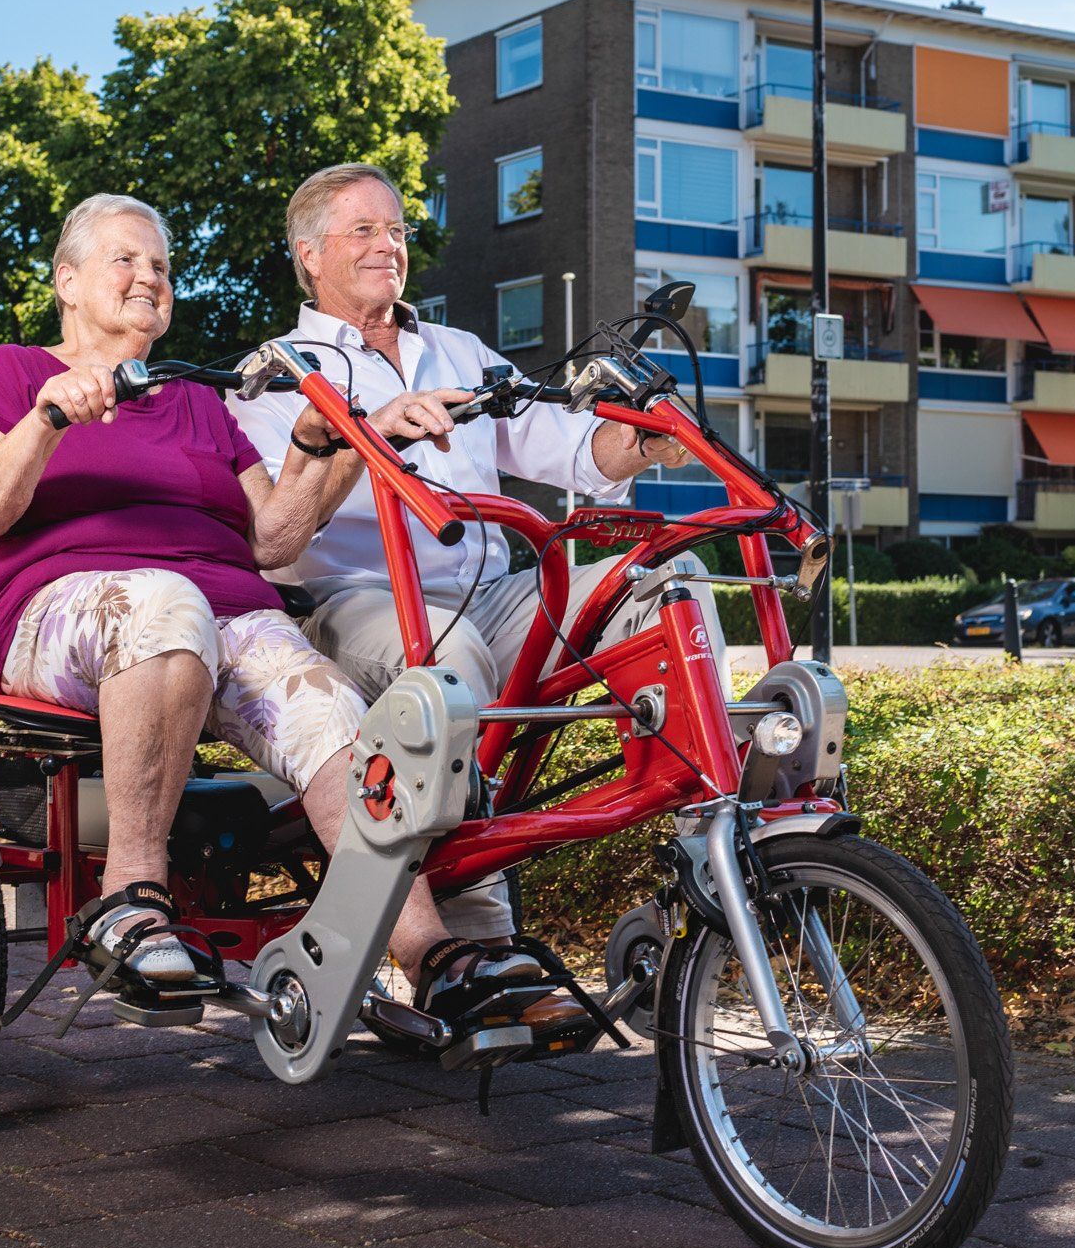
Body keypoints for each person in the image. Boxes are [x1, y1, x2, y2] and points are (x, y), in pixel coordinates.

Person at [0, 192, 536, 1013]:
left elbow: (273, 540)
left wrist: (314, 449)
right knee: (166, 605)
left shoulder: (194, 400)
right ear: (67, 281)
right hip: (66, 611)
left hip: (226, 616)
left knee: (330, 710)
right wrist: (47, 418)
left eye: (161, 266)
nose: (149, 277)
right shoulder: (15, 371)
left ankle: (431, 953)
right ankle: (131, 899)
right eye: (127, 259)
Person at [229, 163, 728, 951]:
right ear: (310, 253)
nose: (387, 246)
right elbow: (281, 534)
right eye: (362, 230)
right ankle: (472, 941)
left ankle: (717, 819)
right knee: (449, 658)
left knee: (667, 579)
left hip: (494, 591)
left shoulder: (460, 350)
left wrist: (640, 442)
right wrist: (374, 432)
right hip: (354, 600)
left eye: (396, 230)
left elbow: (564, 447)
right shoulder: (274, 374)